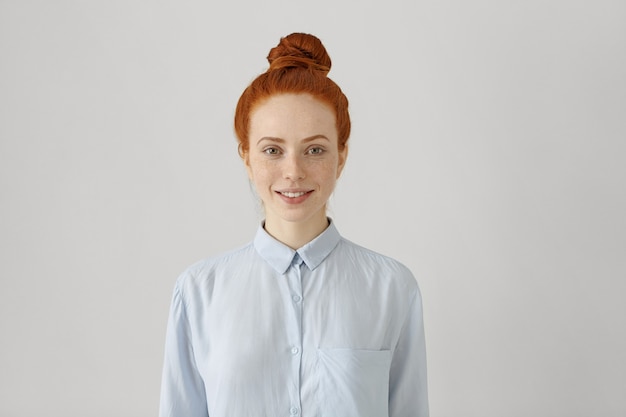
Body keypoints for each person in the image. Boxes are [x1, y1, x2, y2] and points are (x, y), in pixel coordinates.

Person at [159, 32, 429, 417]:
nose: (293, 172)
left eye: (315, 150)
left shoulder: (391, 288)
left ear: (342, 156)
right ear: (247, 157)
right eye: (273, 150)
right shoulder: (198, 292)